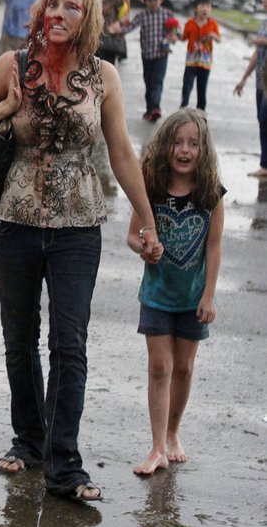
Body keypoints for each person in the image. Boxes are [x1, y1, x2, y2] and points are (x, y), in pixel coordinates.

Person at [0, 0, 161, 502]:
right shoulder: (14, 65)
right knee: (19, 341)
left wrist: (147, 219)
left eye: (72, 6)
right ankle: (28, 442)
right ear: (40, 11)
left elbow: (120, 152)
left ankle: (65, 466)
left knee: (69, 347)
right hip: (15, 223)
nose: (59, 13)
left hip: (77, 228)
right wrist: (6, 107)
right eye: (53, 4)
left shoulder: (103, 76)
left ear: (88, 16)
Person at [127, 109, 224, 476]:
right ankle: (155, 449)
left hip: (192, 297)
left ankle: (172, 433)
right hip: (155, 294)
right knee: (159, 366)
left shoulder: (211, 192)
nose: (185, 150)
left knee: (183, 368)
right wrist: (144, 247)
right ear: (166, 145)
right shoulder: (150, 185)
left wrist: (209, 295)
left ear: (203, 149)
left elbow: (214, 247)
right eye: (178, 142)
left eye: (193, 144)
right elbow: (132, 235)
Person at [126, 0, 180, 121]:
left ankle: (156, 107)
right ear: (145, 1)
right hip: (147, 55)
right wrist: (116, 31)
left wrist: (175, 35)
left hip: (161, 54)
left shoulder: (167, 14)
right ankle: (150, 109)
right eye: (149, 0)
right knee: (148, 82)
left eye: (155, 0)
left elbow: (177, 29)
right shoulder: (142, 16)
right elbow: (130, 27)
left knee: (157, 81)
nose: (152, 3)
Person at [233, 0, 267, 178]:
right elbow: (257, 53)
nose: (265, 2)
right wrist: (244, 78)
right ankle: (265, 164)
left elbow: (262, 44)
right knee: (262, 121)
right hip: (260, 82)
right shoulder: (264, 23)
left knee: (265, 117)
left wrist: (263, 41)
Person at [179, 0, 221, 111]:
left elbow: (219, 39)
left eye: (208, 6)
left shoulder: (213, 24)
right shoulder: (190, 23)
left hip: (205, 61)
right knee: (187, 84)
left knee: (202, 87)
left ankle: (201, 110)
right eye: (202, 6)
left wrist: (214, 36)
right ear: (196, 8)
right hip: (191, 60)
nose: (205, 9)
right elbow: (184, 37)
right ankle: (183, 106)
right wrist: (175, 35)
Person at [93, 0, 130, 65]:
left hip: (108, 42)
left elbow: (126, 16)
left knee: (106, 73)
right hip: (90, 40)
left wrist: (118, 23)